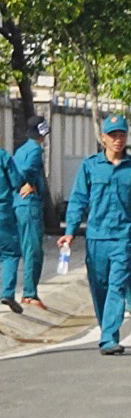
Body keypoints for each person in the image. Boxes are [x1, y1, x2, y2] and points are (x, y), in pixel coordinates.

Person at [59, 116, 131, 355]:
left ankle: (109, 337)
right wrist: (70, 232)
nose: (118, 140)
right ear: (103, 139)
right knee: (99, 287)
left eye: (121, 135)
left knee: (117, 286)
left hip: (122, 238)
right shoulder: (90, 166)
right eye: (112, 136)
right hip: (96, 238)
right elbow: (78, 199)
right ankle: (105, 328)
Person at [3, 116, 49, 310]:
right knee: (33, 249)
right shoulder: (35, 150)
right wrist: (29, 184)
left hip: (17, 205)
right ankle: (30, 293)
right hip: (29, 205)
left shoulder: (20, 149)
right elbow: (25, 171)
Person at [0, 146, 20, 314]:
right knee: (10, 254)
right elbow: (17, 181)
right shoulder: (3, 157)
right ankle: (7, 292)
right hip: (2, 213)